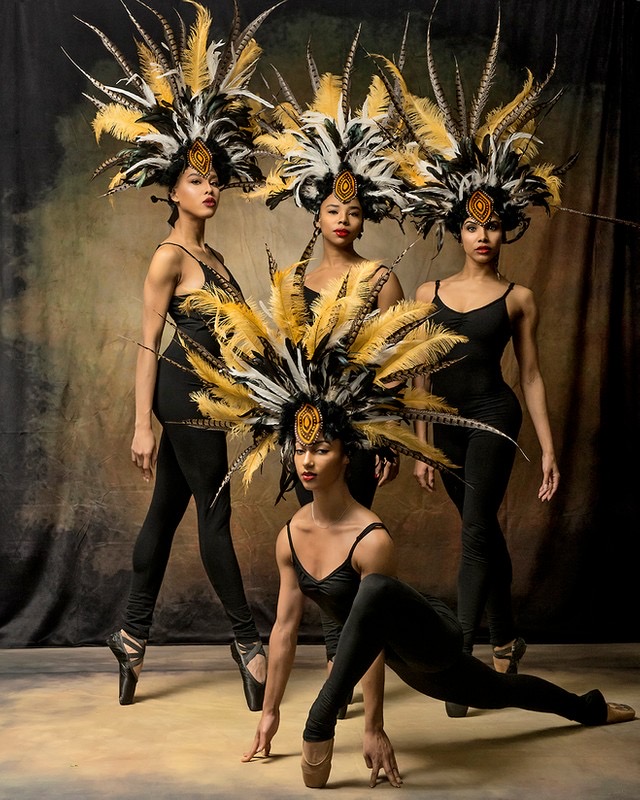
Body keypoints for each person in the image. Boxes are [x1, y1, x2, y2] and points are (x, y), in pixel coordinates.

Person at [70, 0, 282, 709]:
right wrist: (140, 422)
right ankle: (249, 647)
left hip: (211, 392)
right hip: (180, 394)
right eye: (197, 180)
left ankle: (131, 637)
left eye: (216, 178)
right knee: (214, 512)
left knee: (165, 512)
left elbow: (238, 335)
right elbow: (145, 343)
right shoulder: (168, 256)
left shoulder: (214, 254)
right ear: (173, 186)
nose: (211, 186)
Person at [380, 7, 569, 715]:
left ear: (505, 226)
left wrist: (547, 449)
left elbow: (536, 376)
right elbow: (423, 375)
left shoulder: (518, 297)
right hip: (448, 423)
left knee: (476, 533)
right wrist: (424, 446)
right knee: (480, 531)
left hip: (494, 417)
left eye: (492, 223)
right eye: (471, 223)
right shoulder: (428, 291)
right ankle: (508, 634)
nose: (483, 233)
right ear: (455, 225)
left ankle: (460, 664)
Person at [252, 30, 408, 690]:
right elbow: (278, 356)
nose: (343, 218)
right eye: (332, 207)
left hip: (360, 436)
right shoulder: (293, 281)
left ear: (364, 216)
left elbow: (394, 366)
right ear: (316, 213)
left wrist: (391, 435)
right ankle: (335, 666)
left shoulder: (379, 279)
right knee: (315, 544)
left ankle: (345, 676)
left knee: (348, 550)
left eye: (354, 209)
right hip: (306, 435)